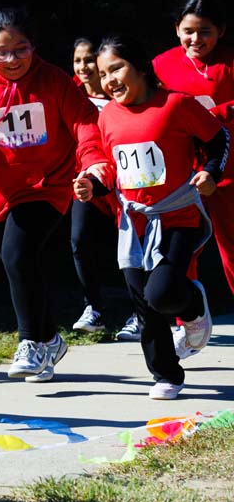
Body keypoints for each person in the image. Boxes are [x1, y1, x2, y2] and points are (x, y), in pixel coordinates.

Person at [0, 8, 109, 383]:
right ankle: (49, 338)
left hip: (48, 184)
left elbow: (84, 124)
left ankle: (30, 341)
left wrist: (93, 163)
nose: (13, 60)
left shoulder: (54, 81)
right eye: (3, 52)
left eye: (21, 49)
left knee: (17, 254)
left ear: (34, 47)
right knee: (19, 264)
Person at [75, 35, 227, 399]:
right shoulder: (108, 115)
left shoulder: (176, 104)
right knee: (143, 301)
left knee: (162, 293)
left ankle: (193, 306)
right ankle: (166, 374)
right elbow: (114, 168)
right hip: (133, 221)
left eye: (117, 69)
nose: (109, 80)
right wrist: (93, 187)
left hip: (178, 213)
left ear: (140, 68)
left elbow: (218, 137)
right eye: (103, 73)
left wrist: (210, 172)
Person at [153, 0, 234, 357]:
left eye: (205, 32)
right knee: (179, 254)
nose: (196, 40)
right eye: (188, 32)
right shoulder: (159, 65)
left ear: (221, 32)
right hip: (180, 176)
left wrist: (217, 113)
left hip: (227, 171)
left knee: (231, 250)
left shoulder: (230, 63)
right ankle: (189, 325)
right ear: (176, 30)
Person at [69, 38, 143, 342]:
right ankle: (93, 308)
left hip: (122, 179)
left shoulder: (121, 95)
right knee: (79, 238)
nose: (83, 67)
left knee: (129, 248)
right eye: (77, 61)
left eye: (89, 61)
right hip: (88, 180)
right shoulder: (70, 95)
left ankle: (140, 313)